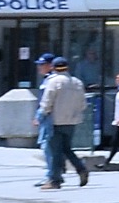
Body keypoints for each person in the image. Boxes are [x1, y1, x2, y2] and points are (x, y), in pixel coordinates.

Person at [36, 56, 89, 189]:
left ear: (53, 68)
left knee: (55, 152)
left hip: (55, 121)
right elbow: (83, 104)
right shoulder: (77, 82)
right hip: (71, 121)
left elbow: (47, 102)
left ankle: (54, 180)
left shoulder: (53, 82)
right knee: (67, 149)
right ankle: (81, 168)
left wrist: (41, 115)